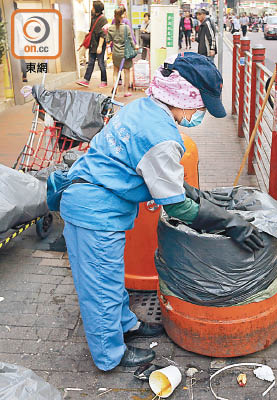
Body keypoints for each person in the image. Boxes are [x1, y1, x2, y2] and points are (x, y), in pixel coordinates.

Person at [60, 52, 264, 372]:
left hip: (101, 203)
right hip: (92, 210)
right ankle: (110, 355)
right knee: (99, 288)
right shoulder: (162, 137)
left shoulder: (144, 107)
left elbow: (158, 176)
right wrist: (230, 223)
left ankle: (127, 325)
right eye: (200, 107)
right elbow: (177, 207)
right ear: (184, 98)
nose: (200, 115)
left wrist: (199, 194)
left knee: (111, 278)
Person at [77, 1, 108, 88]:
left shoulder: (103, 19)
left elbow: (103, 34)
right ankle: (86, 80)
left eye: (93, 7)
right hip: (92, 44)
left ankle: (104, 81)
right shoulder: (93, 17)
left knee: (101, 63)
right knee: (90, 62)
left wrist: (100, 46)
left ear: (96, 9)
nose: (92, 9)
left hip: (99, 45)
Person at [108, 7, 137, 97]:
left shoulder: (111, 28)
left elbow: (108, 40)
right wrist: (135, 47)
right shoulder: (126, 27)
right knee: (127, 72)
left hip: (116, 53)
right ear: (121, 16)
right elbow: (131, 40)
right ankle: (125, 91)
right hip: (125, 53)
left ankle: (115, 88)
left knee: (115, 71)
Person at [73, 0, 89, 66]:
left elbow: (86, 11)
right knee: (81, 45)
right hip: (80, 28)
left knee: (85, 45)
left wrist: (83, 3)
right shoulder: (75, 4)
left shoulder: (81, 4)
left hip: (85, 28)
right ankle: (80, 60)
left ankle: (84, 59)